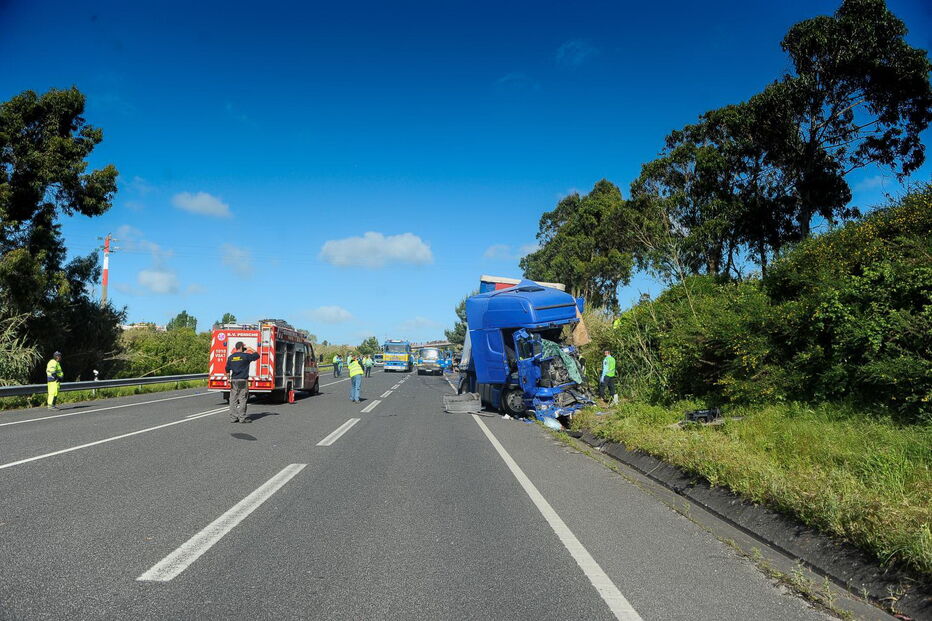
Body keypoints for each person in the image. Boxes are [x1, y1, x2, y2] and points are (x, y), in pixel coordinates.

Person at [226, 341, 259, 423]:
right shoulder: (246, 356)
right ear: (241, 347)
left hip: (233, 380)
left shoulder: (231, 357)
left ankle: (233, 418)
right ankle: (242, 417)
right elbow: (257, 355)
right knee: (242, 398)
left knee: (233, 399)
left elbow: (227, 369)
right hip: (242, 380)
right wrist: (250, 349)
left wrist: (228, 379)